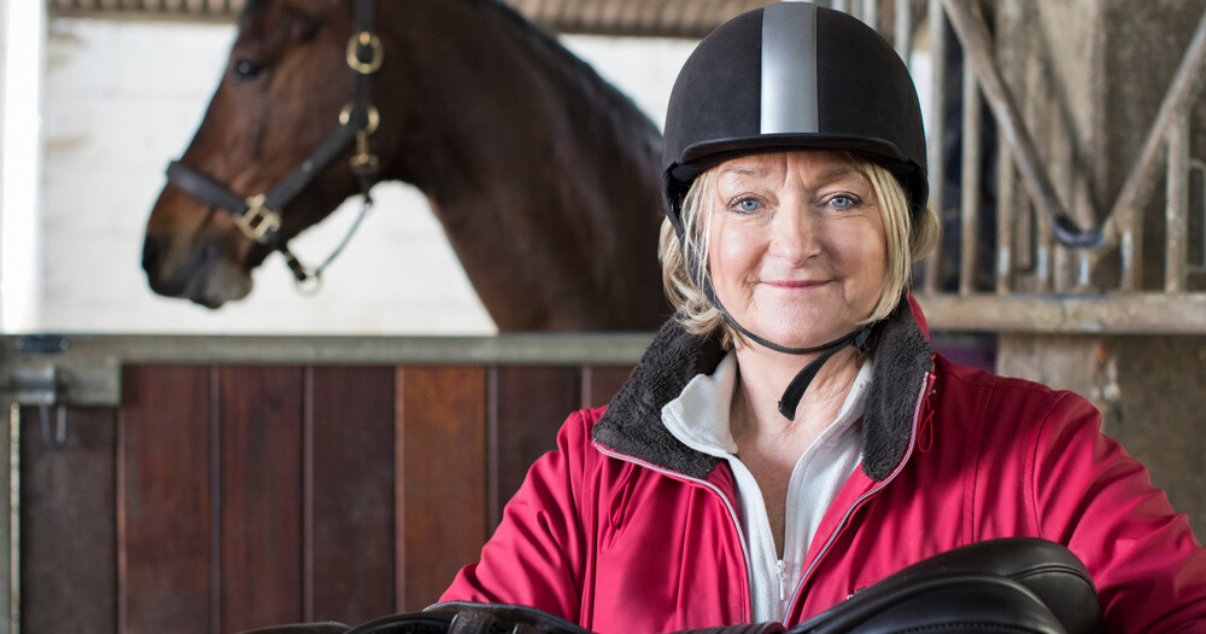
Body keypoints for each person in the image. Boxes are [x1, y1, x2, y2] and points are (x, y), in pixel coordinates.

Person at [437, 3, 1206, 632]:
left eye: (841, 198)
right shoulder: (586, 479)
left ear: (899, 227)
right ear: (695, 239)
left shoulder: (1045, 457)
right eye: (748, 202)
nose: (796, 243)